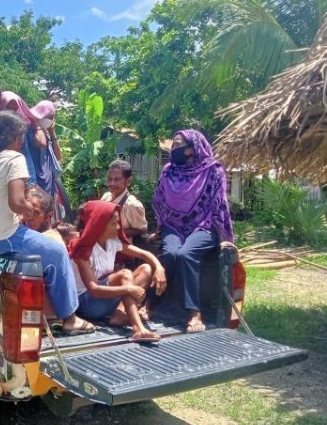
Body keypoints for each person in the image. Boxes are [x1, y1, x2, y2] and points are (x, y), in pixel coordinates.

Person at [0, 111, 94, 335]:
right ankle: (71, 319)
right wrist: (29, 209)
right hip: (2, 239)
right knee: (56, 252)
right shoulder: (14, 159)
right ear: (17, 138)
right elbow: (16, 203)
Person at [151, 129, 234, 333]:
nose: (174, 148)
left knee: (186, 254)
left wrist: (224, 235)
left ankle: (195, 313)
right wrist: (160, 227)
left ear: (192, 148)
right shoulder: (169, 171)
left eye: (178, 145)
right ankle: (150, 304)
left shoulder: (213, 170)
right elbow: (159, 200)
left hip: (204, 225)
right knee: (170, 254)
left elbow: (219, 204)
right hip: (173, 226)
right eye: (173, 145)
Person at [70, 200, 166, 342]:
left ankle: (120, 314)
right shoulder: (82, 250)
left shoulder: (112, 242)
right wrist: (128, 289)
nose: (119, 227)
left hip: (106, 298)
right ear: (100, 225)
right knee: (125, 275)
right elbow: (94, 290)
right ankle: (138, 328)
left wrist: (159, 267)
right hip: (88, 304)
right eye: (114, 223)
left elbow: (145, 254)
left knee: (146, 269)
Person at [100, 159, 148, 241]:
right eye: (109, 179)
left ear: (128, 181)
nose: (112, 183)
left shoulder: (132, 205)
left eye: (117, 179)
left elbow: (142, 230)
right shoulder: (106, 197)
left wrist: (114, 231)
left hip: (123, 246)